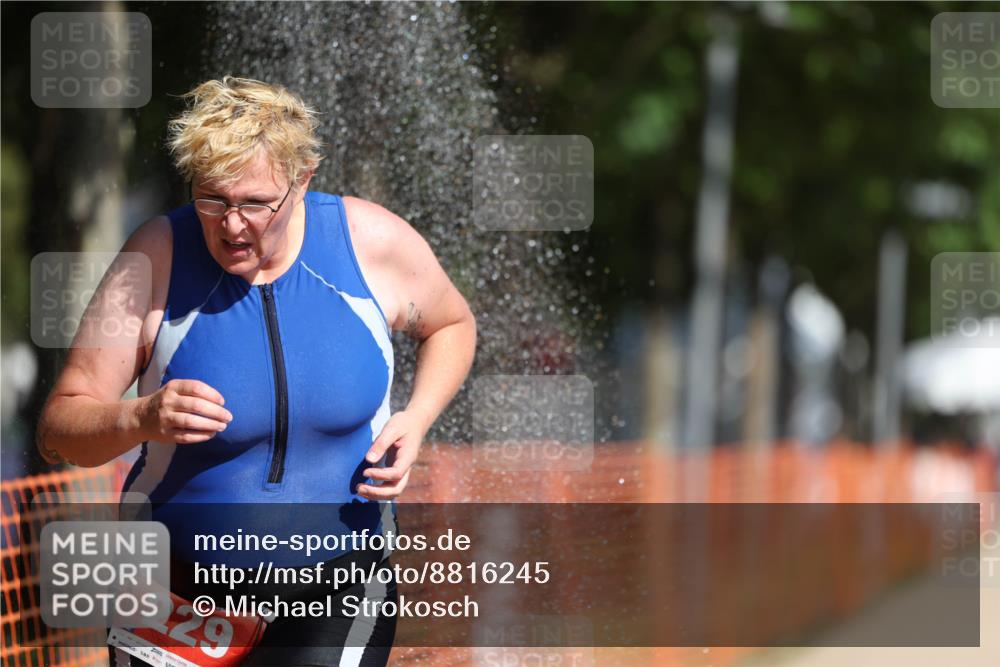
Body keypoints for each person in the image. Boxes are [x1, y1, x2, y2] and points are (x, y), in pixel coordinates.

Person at [36, 76, 477, 666]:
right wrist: (139, 416)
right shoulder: (156, 257)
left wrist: (417, 419)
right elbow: (59, 428)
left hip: (336, 584)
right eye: (211, 199)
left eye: (253, 203)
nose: (231, 225)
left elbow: (452, 324)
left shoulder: (369, 242)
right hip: (176, 586)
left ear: (303, 182)